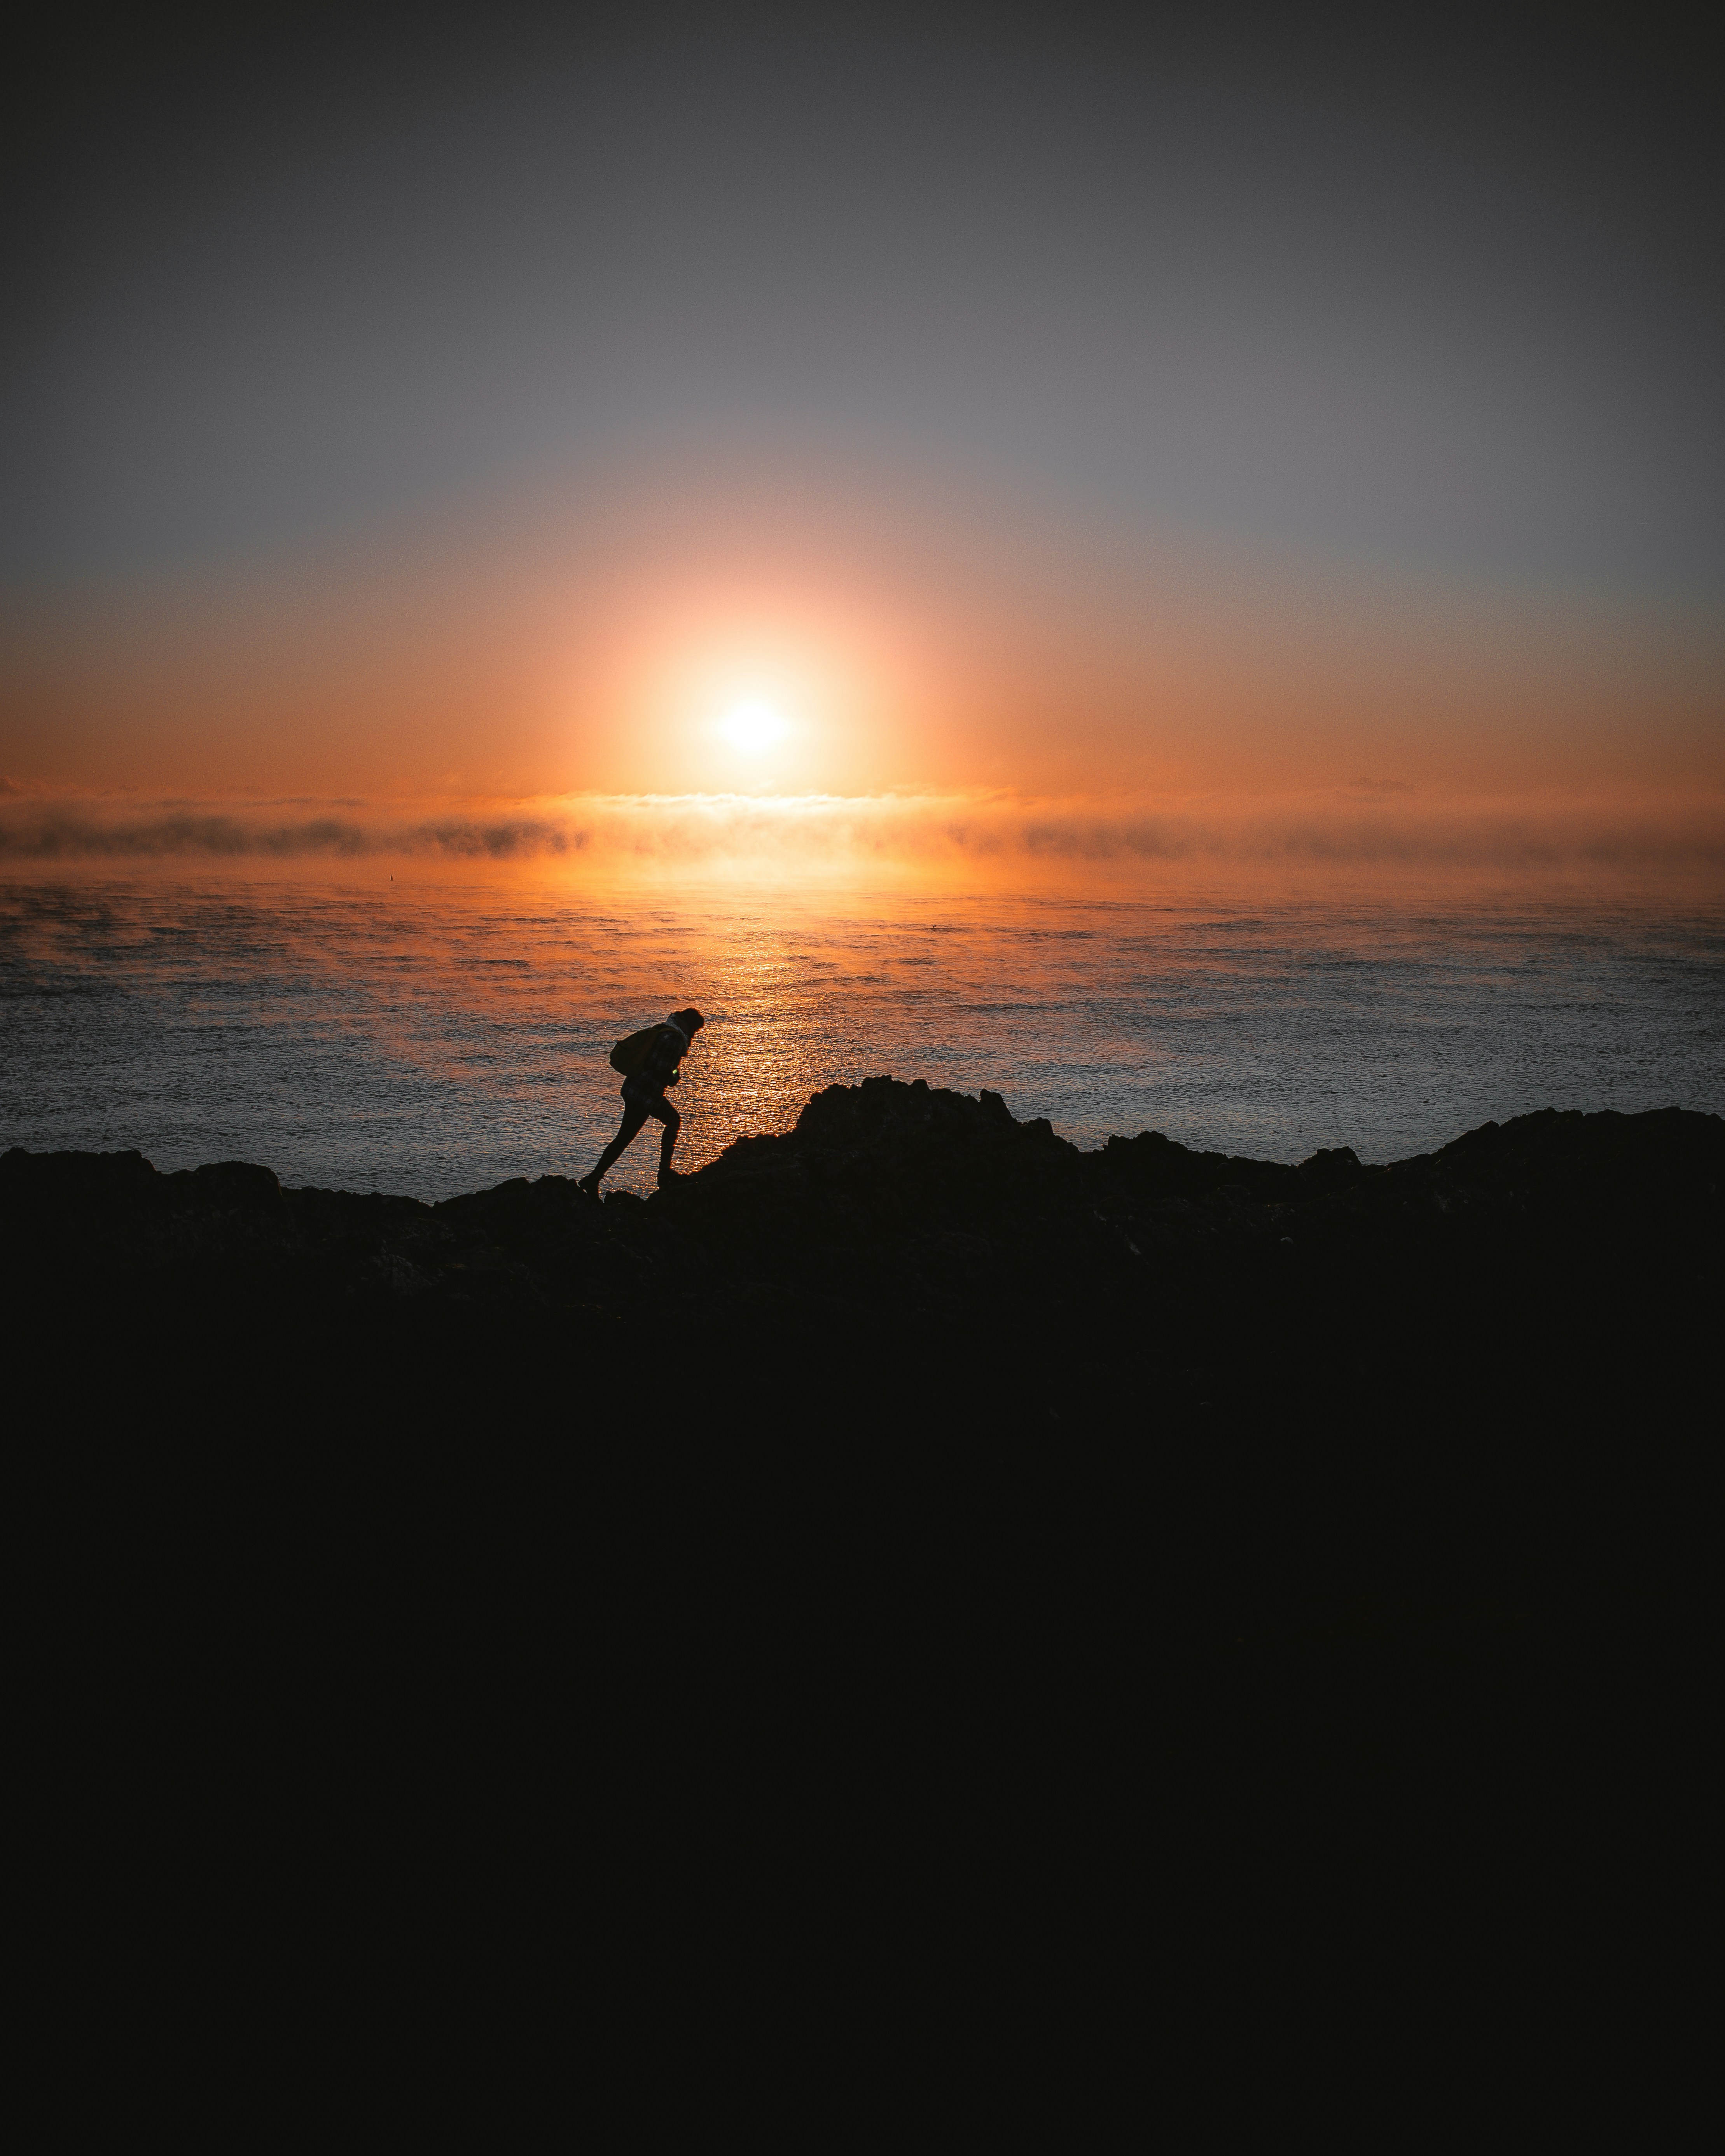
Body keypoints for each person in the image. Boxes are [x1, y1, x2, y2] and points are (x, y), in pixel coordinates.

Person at [579, 1007, 705, 1195]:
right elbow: (663, 1069)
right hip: (645, 1094)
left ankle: (595, 1178)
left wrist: (671, 1072)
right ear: (690, 1026)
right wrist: (674, 1076)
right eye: (695, 1030)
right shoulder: (675, 1039)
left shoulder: (665, 1029)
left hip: (635, 1088)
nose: (694, 1035)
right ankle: (596, 1179)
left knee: (627, 1137)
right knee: (661, 1126)